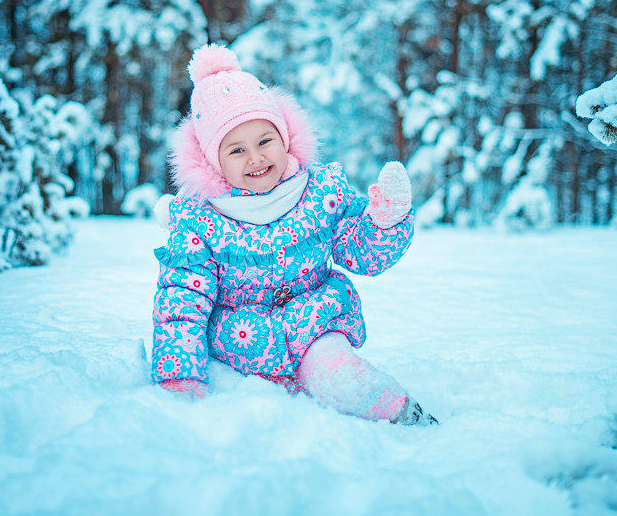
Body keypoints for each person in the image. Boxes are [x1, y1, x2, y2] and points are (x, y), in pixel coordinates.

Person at [150, 43, 437, 426]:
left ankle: (402, 414)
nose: (256, 158)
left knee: (341, 374)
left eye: (265, 141)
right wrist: (179, 375)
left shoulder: (318, 192)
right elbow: (182, 298)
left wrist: (384, 222)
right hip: (242, 348)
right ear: (212, 161)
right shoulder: (200, 221)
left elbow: (360, 253)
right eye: (236, 150)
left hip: (314, 326)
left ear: (285, 138)